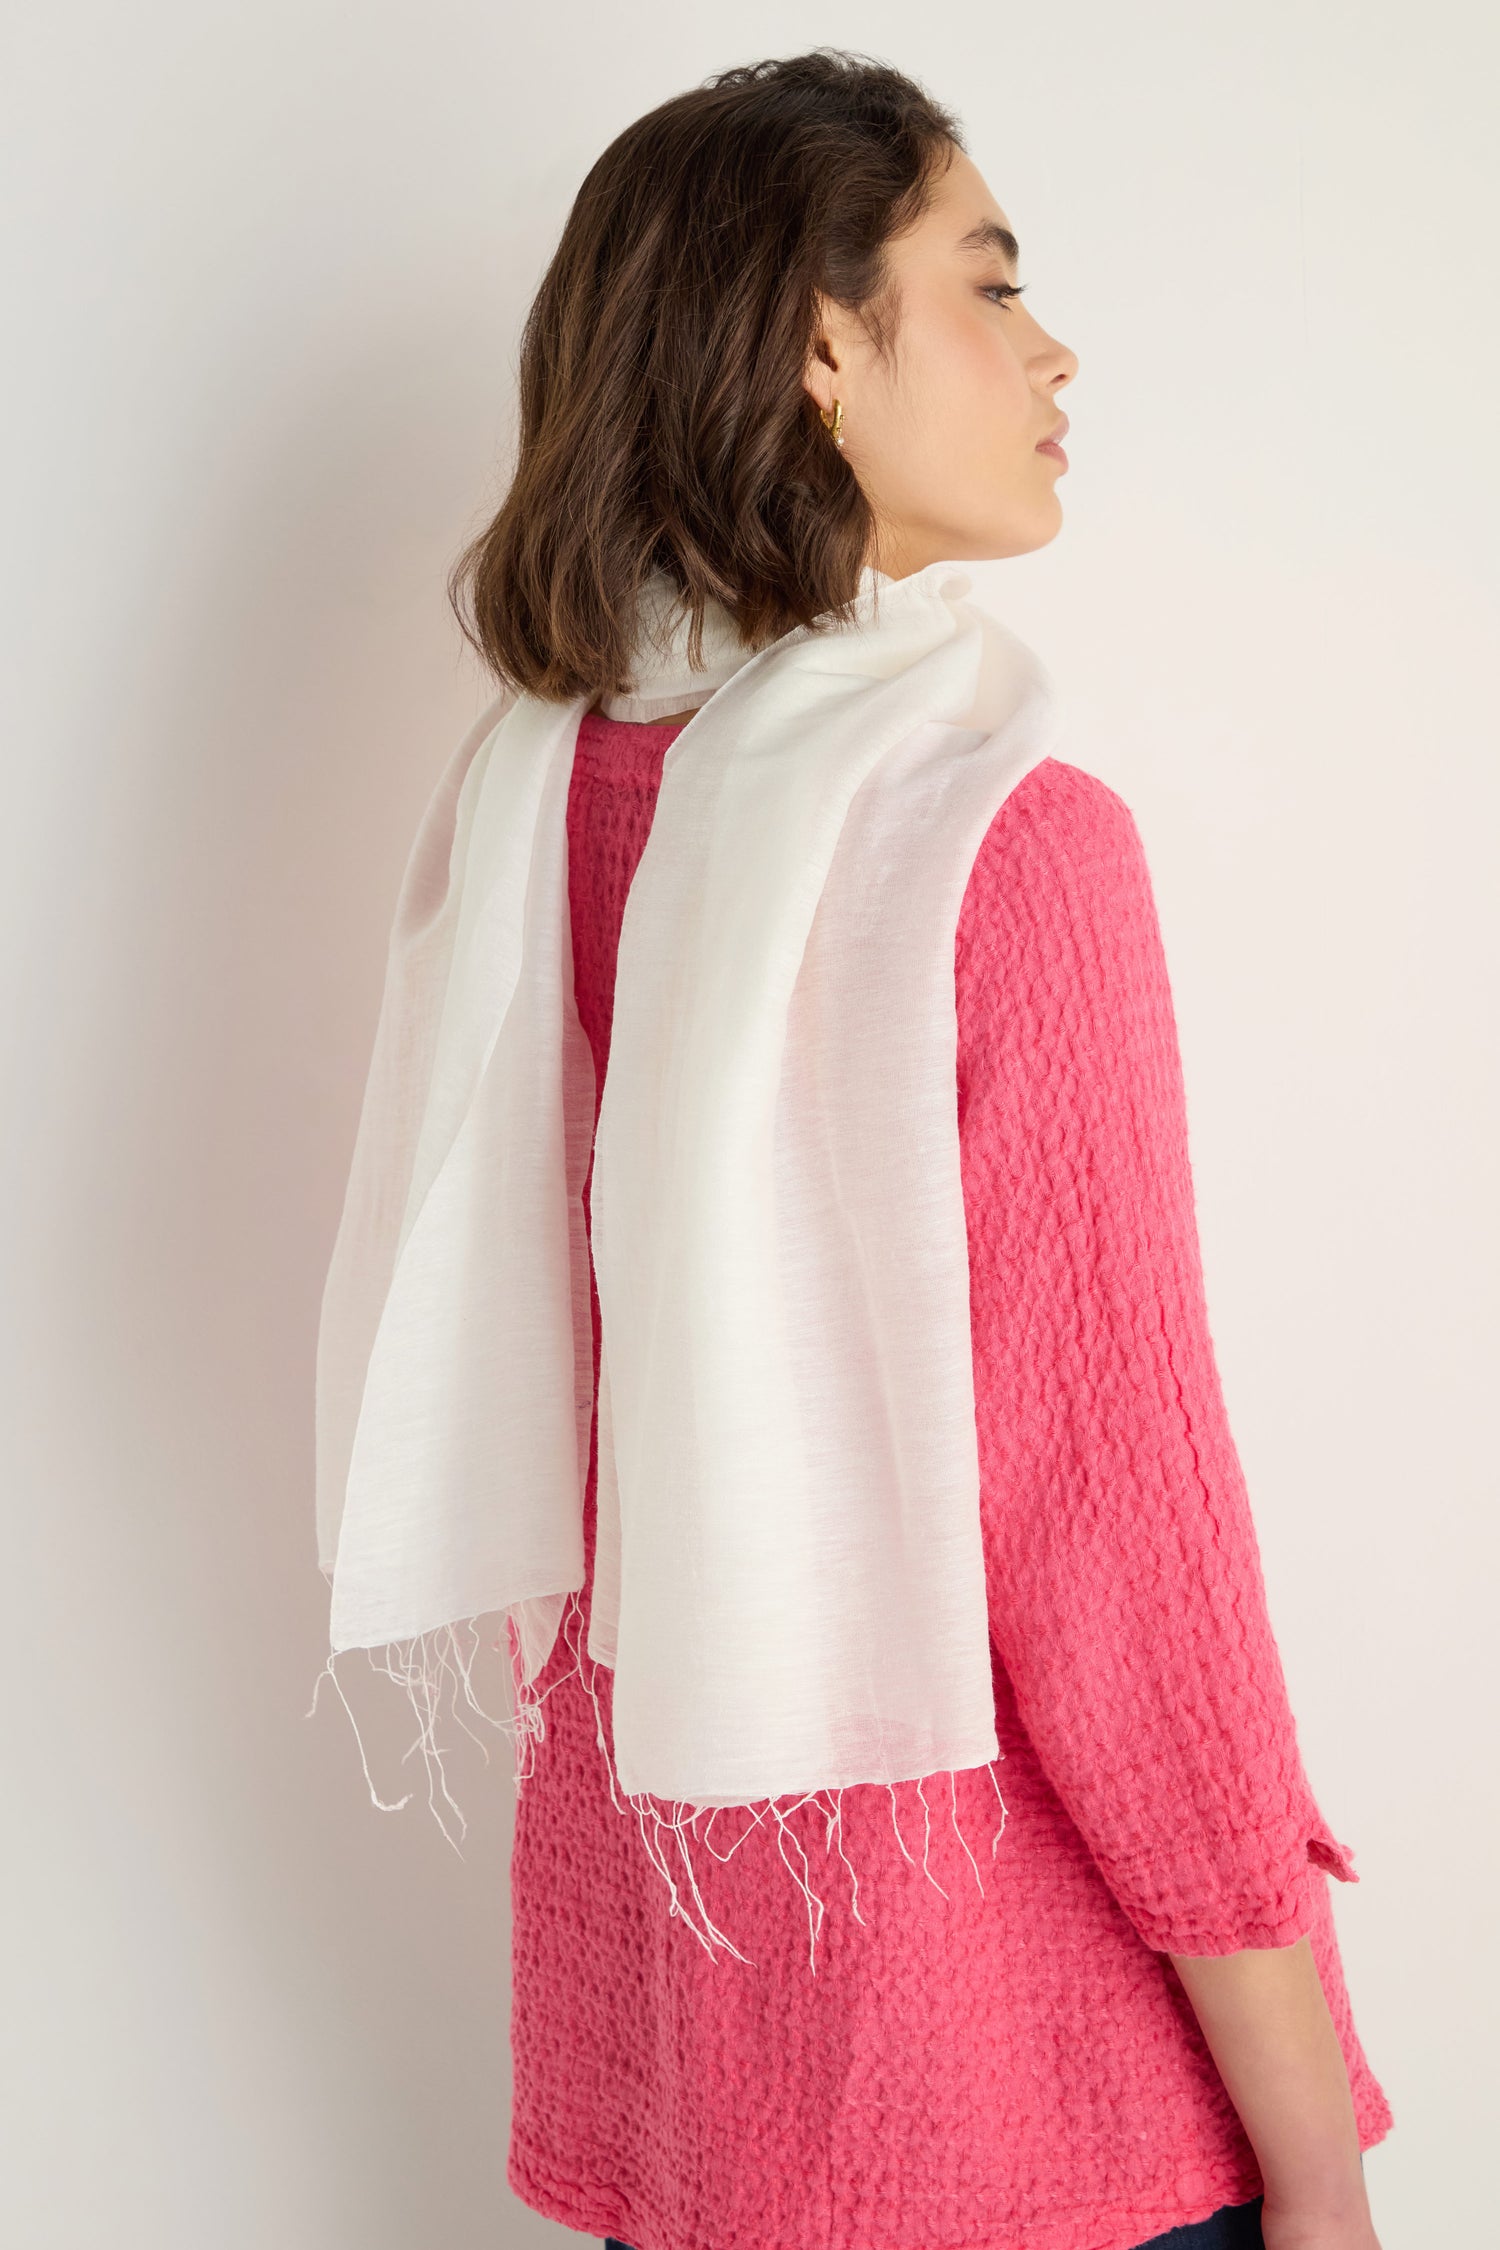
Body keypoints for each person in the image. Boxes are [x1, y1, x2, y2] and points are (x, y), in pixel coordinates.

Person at [423, 47, 1391, 2250]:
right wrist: (1318, 2150)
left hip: (693, 2092)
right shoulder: (995, 845)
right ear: (819, 348)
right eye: (989, 280)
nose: (1054, 351)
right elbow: (1121, 1551)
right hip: (1030, 2108)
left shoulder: (533, 818)